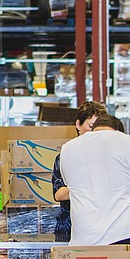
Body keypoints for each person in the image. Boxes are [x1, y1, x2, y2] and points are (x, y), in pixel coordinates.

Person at [58, 114, 130, 246]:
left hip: (83, 238)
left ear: (94, 129)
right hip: (125, 235)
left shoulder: (68, 148)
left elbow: (70, 186)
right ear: (119, 131)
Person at [51, 100, 107, 242]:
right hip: (71, 228)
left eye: (100, 128)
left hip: (104, 228)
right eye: (91, 126)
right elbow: (59, 194)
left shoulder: (108, 156)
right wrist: (91, 186)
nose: (95, 132)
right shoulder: (65, 156)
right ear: (78, 125)